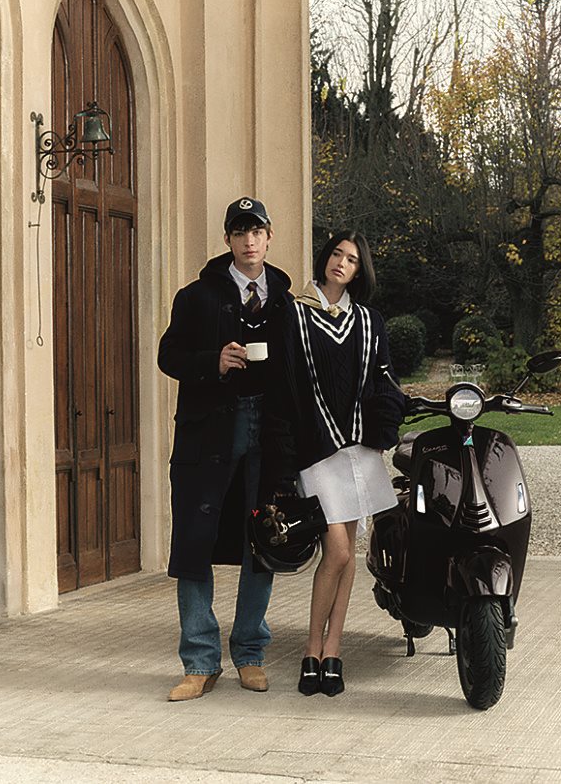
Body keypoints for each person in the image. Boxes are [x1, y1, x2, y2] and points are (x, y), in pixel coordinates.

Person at [157, 197, 293, 702]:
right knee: (194, 545)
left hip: (268, 432)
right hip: (208, 434)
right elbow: (168, 355)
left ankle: (250, 654)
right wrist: (211, 361)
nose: (249, 240)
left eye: (257, 231)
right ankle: (199, 662)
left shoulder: (286, 299)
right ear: (228, 240)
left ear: (269, 236)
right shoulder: (195, 297)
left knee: (263, 539)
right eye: (240, 232)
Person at [262, 231, 405, 697]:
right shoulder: (294, 314)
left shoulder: (369, 321)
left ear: (360, 270)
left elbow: (385, 382)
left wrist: (384, 431)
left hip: (360, 451)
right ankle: (311, 648)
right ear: (325, 258)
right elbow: (282, 390)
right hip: (315, 451)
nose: (341, 263)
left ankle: (332, 652)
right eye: (337, 254)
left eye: (352, 259)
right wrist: (283, 466)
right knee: (338, 552)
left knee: (347, 559)